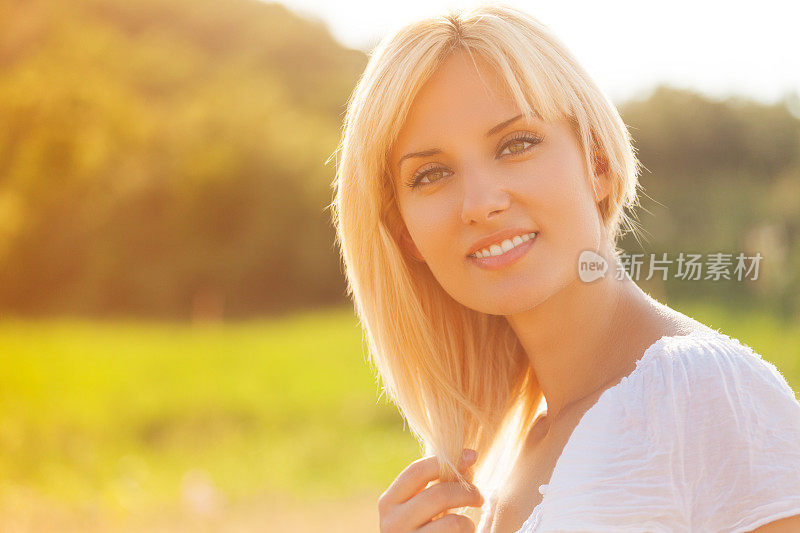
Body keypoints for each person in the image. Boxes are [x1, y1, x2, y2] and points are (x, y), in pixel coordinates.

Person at [329, 4, 800, 532]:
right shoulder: (508, 460)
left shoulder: (703, 390)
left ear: (597, 163)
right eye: (432, 174)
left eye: (517, 144)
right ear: (406, 237)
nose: (480, 203)